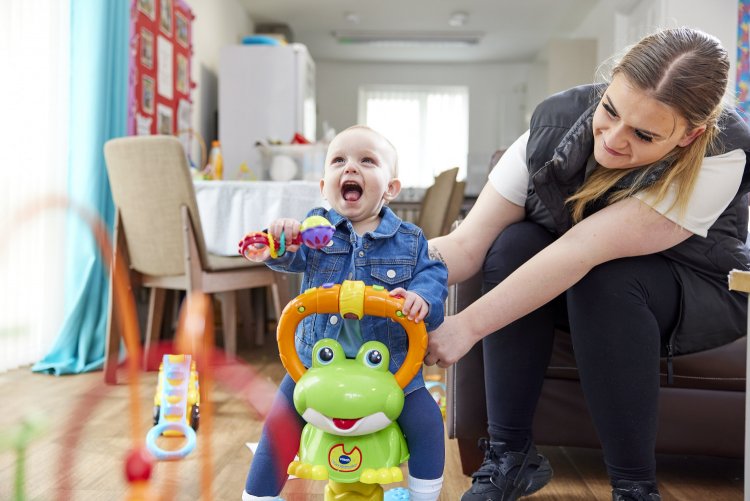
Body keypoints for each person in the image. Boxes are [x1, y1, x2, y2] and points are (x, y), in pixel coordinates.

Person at [424, 27, 750, 501]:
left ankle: (634, 486)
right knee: (513, 244)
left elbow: (584, 250)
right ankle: (510, 457)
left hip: (693, 291)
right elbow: (466, 245)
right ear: (608, 85)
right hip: (581, 281)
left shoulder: (722, 153)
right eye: (610, 111)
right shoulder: (550, 127)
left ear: (690, 135)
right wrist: (372, 266)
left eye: (643, 134)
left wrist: (464, 327)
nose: (614, 140)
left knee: (610, 275)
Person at [243, 125, 448, 501]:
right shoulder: (316, 230)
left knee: (427, 423)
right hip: (314, 365)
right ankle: (257, 496)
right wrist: (280, 239)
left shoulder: (411, 239)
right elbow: (287, 257)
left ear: (390, 189)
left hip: (392, 368)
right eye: (339, 160)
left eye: (367, 161)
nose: (350, 168)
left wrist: (423, 298)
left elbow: (434, 276)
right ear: (324, 186)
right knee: (278, 426)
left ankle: (424, 495)